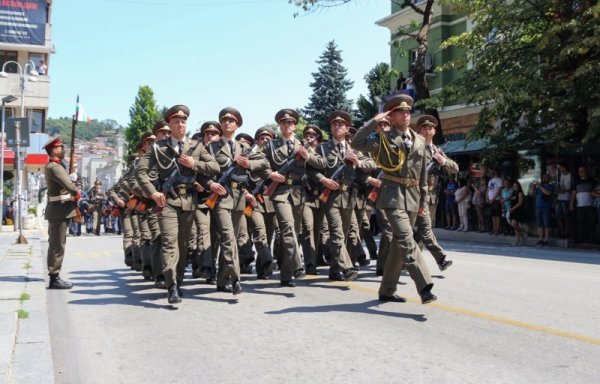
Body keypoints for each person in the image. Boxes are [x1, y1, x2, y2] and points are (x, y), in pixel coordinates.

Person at [352, 93, 436, 304]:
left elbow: (423, 175)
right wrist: (375, 120)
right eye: (400, 112)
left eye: (408, 112)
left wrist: (423, 202)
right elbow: (356, 141)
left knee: (399, 247)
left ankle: (387, 290)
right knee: (407, 240)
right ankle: (424, 286)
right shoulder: (383, 138)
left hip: (413, 197)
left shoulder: (419, 140)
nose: (406, 115)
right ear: (392, 116)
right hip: (392, 196)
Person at [136, 105, 220, 304]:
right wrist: (153, 193)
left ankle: (178, 281)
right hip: (168, 201)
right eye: (176, 121)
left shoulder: (196, 146)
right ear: (170, 124)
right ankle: (171, 284)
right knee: (169, 242)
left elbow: (215, 166)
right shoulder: (159, 148)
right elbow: (140, 172)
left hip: (189, 201)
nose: (180, 124)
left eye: (183, 121)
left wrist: (194, 164)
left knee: (182, 246)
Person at [43, 135, 78, 289]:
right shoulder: (55, 167)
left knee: (57, 244)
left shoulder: (56, 166)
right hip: (58, 211)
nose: (63, 150)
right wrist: (75, 187)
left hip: (59, 210)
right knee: (58, 245)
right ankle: (54, 277)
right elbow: (71, 187)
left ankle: (55, 275)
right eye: (61, 148)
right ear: (55, 150)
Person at [570, 166, 595, 244]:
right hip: (580, 205)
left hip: (590, 204)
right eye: (580, 171)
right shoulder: (576, 182)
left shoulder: (591, 181)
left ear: (586, 171)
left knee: (591, 223)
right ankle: (581, 239)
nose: (581, 173)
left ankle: (591, 239)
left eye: (583, 171)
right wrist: (571, 203)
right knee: (580, 223)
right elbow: (573, 194)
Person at [531, 174, 555, 246]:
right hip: (538, 207)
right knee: (539, 224)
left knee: (546, 224)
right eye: (543, 178)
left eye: (546, 178)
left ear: (549, 179)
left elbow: (548, 193)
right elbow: (532, 194)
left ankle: (546, 240)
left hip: (546, 207)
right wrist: (533, 187)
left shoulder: (551, 186)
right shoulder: (539, 187)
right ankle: (540, 239)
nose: (544, 179)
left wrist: (540, 186)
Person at [555, 164, 572, 238]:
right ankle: (562, 232)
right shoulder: (561, 175)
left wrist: (564, 190)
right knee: (558, 216)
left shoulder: (570, 176)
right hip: (559, 198)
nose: (560, 169)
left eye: (561, 168)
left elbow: (572, 188)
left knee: (566, 216)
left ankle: (566, 232)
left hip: (566, 198)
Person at [508, 181, 527, 245]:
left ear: (518, 186)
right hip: (513, 210)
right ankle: (517, 240)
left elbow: (520, 203)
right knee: (514, 225)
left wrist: (512, 209)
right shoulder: (513, 193)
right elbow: (509, 198)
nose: (514, 187)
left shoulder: (520, 193)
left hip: (518, 210)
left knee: (514, 224)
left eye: (516, 186)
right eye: (513, 186)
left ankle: (523, 231)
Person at [486, 169, 503, 235]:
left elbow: (499, 190)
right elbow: (488, 189)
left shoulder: (499, 180)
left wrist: (493, 198)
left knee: (497, 215)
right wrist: (486, 197)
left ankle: (497, 229)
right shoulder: (490, 180)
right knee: (492, 215)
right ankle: (494, 228)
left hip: (496, 200)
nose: (492, 173)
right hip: (490, 200)